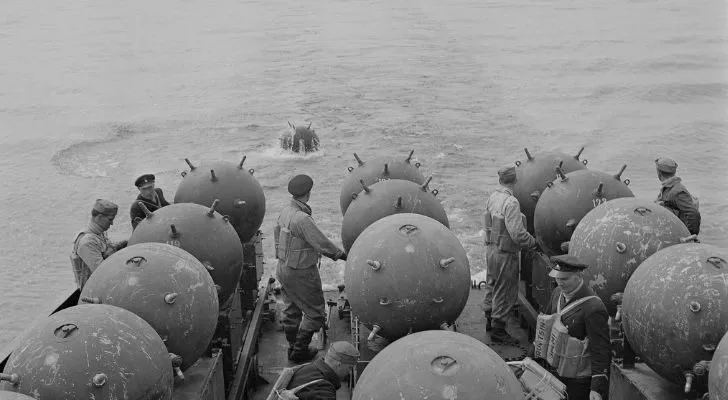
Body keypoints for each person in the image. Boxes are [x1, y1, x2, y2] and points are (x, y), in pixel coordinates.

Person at [274, 174, 347, 362]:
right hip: (301, 272)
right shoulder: (302, 219)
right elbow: (322, 243)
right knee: (315, 314)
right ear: (308, 193)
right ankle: (300, 351)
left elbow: (277, 238)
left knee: (291, 310)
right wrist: (342, 255)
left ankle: (292, 348)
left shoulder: (285, 212)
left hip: (283, 268)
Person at [482, 166, 538, 343]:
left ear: (500, 180)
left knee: (492, 283)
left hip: (491, 249)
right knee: (505, 289)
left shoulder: (493, 197)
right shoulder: (511, 202)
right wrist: (533, 243)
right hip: (505, 253)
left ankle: (489, 318)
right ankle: (499, 329)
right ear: (515, 181)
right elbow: (517, 233)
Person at [545, 254, 611, 400]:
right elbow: (546, 323)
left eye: (564, 279)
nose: (559, 283)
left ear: (578, 276)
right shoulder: (557, 294)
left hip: (578, 381)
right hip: (555, 371)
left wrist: (596, 388)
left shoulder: (593, 307)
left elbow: (600, 349)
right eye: (557, 278)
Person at [70, 199, 128, 290]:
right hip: (93, 292)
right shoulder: (87, 242)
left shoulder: (98, 234)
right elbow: (102, 272)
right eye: (110, 219)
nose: (112, 223)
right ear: (100, 217)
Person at [281, 341, 360, 400]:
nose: (349, 372)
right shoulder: (324, 393)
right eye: (349, 368)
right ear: (338, 364)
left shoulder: (306, 367)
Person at [654, 157, 700, 235]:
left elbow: (693, 214)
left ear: (659, 173)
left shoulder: (677, 191)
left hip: (677, 233)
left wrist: (690, 235)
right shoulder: (669, 186)